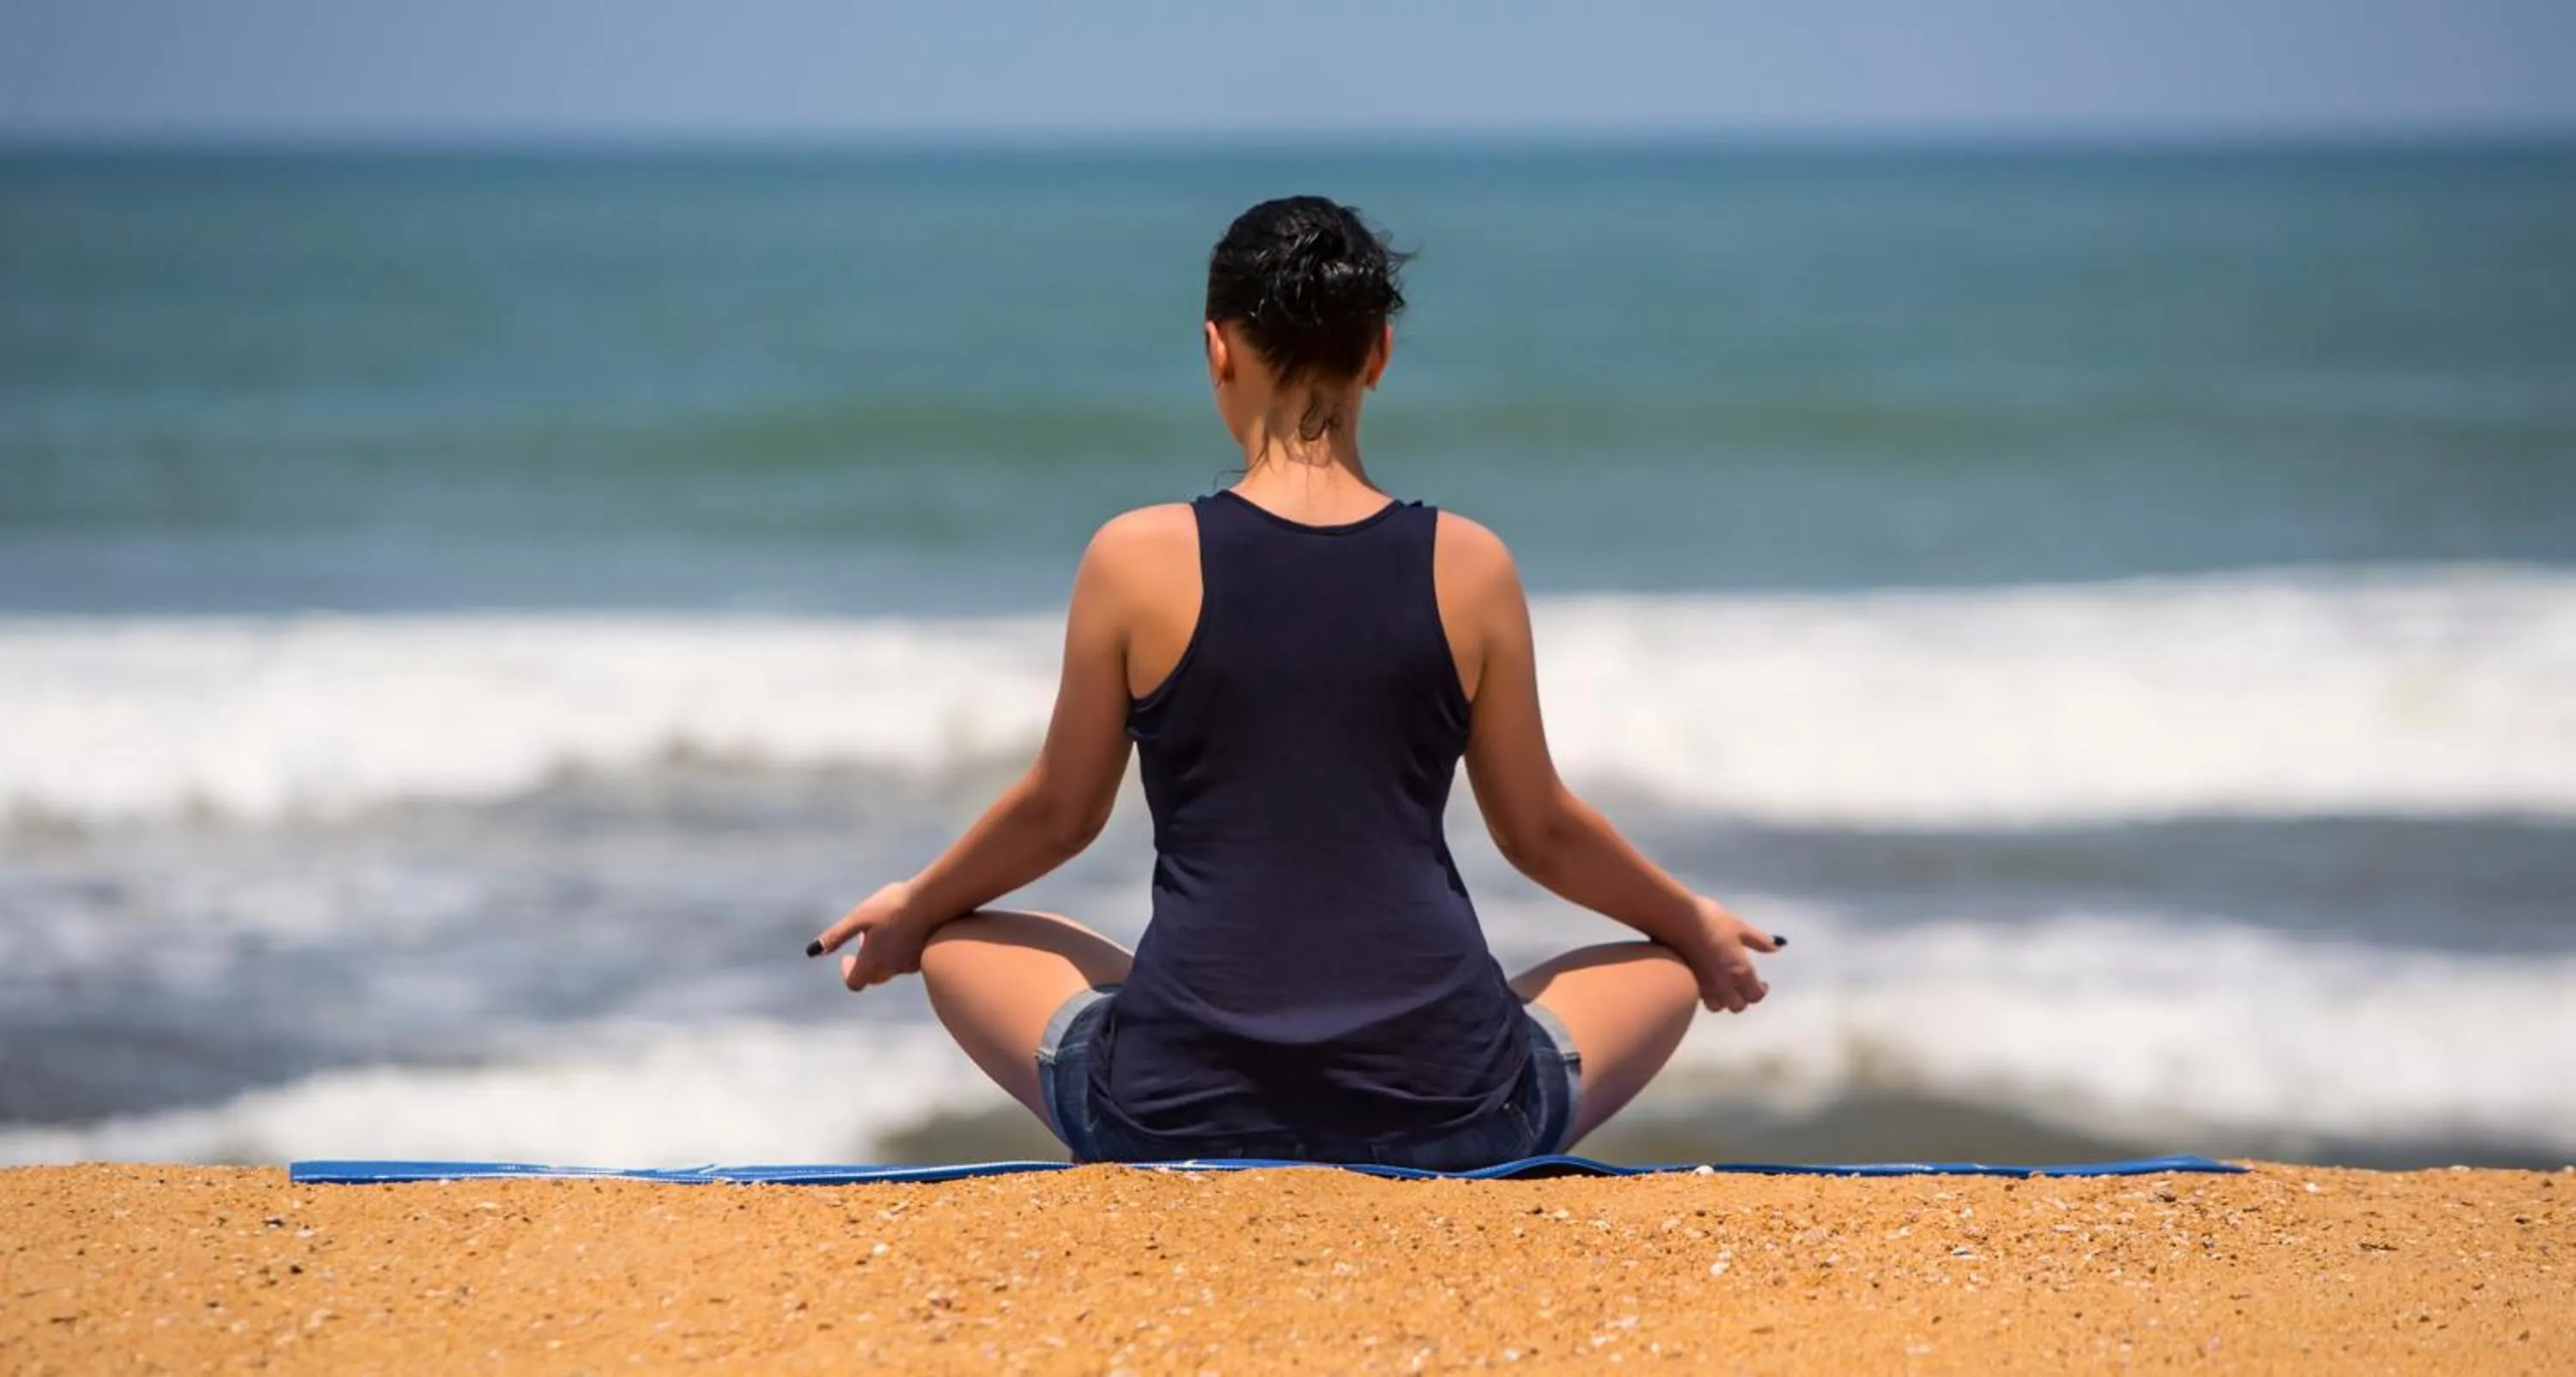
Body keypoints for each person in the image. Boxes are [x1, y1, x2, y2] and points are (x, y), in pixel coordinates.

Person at [812, 196, 1778, 1169]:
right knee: (1664, 965)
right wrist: (1692, 923)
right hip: (1454, 1121)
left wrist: (915, 905)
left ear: (1217, 349)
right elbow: (1541, 832)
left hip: (1168, 1114)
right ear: (1379, 354)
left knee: (957, 939)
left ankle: (1184, 1046)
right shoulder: (1470, 564)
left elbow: (1059, 814)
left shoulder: (1133, 558)